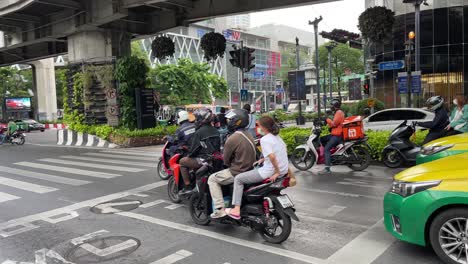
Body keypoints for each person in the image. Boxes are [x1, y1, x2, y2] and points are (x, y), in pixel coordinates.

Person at [225, 116, 289, 219]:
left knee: (238, 179)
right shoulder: (277, 137)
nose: (257, 127)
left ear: (264, 127)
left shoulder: (265, 139)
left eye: (258, 125)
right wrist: (263, 160)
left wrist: (276, 172)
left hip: (270, 172)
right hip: (284, 171)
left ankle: (236, 209)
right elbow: (278, 154)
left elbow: (272, 157)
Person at [208, 109, 257, 218]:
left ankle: (220, 209)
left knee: (212, 179)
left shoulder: (233, 138)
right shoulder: (248, 134)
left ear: (237, 121)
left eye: (231, 120)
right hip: (250, 170)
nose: (229, 122)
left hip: (237, 171)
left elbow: (225, 160)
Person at [179, 108, 221, 195]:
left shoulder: (199, 132)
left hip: (203, 160)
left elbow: (194, 150)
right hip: (215, 159)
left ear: (201, 120)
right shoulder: (216, 131)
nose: (196, 120)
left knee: (182, 162)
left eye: (197, 118)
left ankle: (187, 186)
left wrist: (189, 154)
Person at [319, 99, 345, 174]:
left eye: (331, 106)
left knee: (326, 149)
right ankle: (328, 157)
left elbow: (334, 124)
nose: (331, 107)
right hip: (335, 133)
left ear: (335, 106)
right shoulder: (338, 112)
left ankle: (327, 169)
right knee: (322, 139)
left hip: (337, 135)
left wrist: (327, 119)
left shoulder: (338, 113)